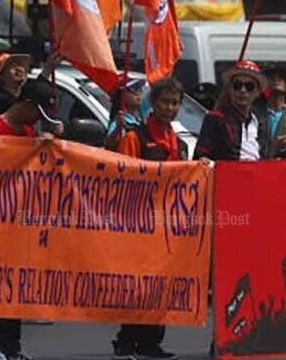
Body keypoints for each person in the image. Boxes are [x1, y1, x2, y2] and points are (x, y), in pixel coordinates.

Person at [0, 79, 58, 360]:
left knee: (15, 289)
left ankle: (12, 346)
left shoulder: (27, 130)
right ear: (26, 105)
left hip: (21, 222)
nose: (39, 120)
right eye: (38, 112)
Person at [111, 78, 185, 360]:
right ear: (153, 104)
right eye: (165, 102)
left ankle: (152, 342)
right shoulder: (134, 137)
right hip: (140, 222)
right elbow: (124, 176)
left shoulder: (175, 137)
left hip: (167, 222)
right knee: (138, 285)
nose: (170, 108)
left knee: (161, 284)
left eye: (174, 103)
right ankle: (126, 341)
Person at [194, 61, 266, 162]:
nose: (242, 90)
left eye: (249, 86)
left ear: (258, 92)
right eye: (237, 85)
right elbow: (201, 157)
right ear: (230, 89)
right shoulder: (216, 118)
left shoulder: (258, 121)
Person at [0, 53, 33, 120]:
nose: (19, 70)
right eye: (12, 66)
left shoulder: (21, 96)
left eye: (20, 65)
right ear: (1, 76)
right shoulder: (2, 102)